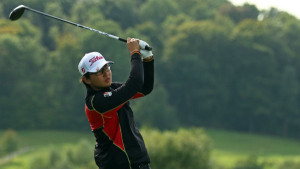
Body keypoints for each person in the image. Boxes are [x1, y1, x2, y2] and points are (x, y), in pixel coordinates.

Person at [78, 38, 154, 169]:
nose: (106, 73)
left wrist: (148, 58)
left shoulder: (112, 89)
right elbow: (134, 83)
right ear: (87, 79)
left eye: (106, 67)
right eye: (99, 71)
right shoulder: (96, 103)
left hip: (138, 163)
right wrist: (135, 53)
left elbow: (144, 88)